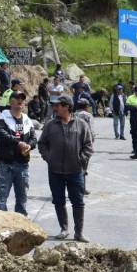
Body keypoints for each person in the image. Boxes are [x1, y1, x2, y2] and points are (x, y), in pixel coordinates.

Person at [37, 97, 93, 241]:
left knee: (78, 202)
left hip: (75, 171)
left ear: (67, 107)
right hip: (55, 171)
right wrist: (48, 157)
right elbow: (42, 143)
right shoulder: (50, 125)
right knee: (58, 201)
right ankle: (64, 229)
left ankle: (79, 233)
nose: (55, 108)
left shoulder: (81, 124)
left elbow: (88, 145)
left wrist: (81, 159)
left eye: (58, 106)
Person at [0, 91, 36, 214]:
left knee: (22, 198)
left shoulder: (27, 120)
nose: (20, 101)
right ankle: (2, 225)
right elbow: (0, 133)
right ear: (10, 101)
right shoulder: (2, 118)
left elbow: (34, 138)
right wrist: (17, 143)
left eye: (22, 99)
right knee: (2, 197)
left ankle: (21, 224)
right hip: (6, 164)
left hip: (22, 165)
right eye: (17, 98)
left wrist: (29, 145)